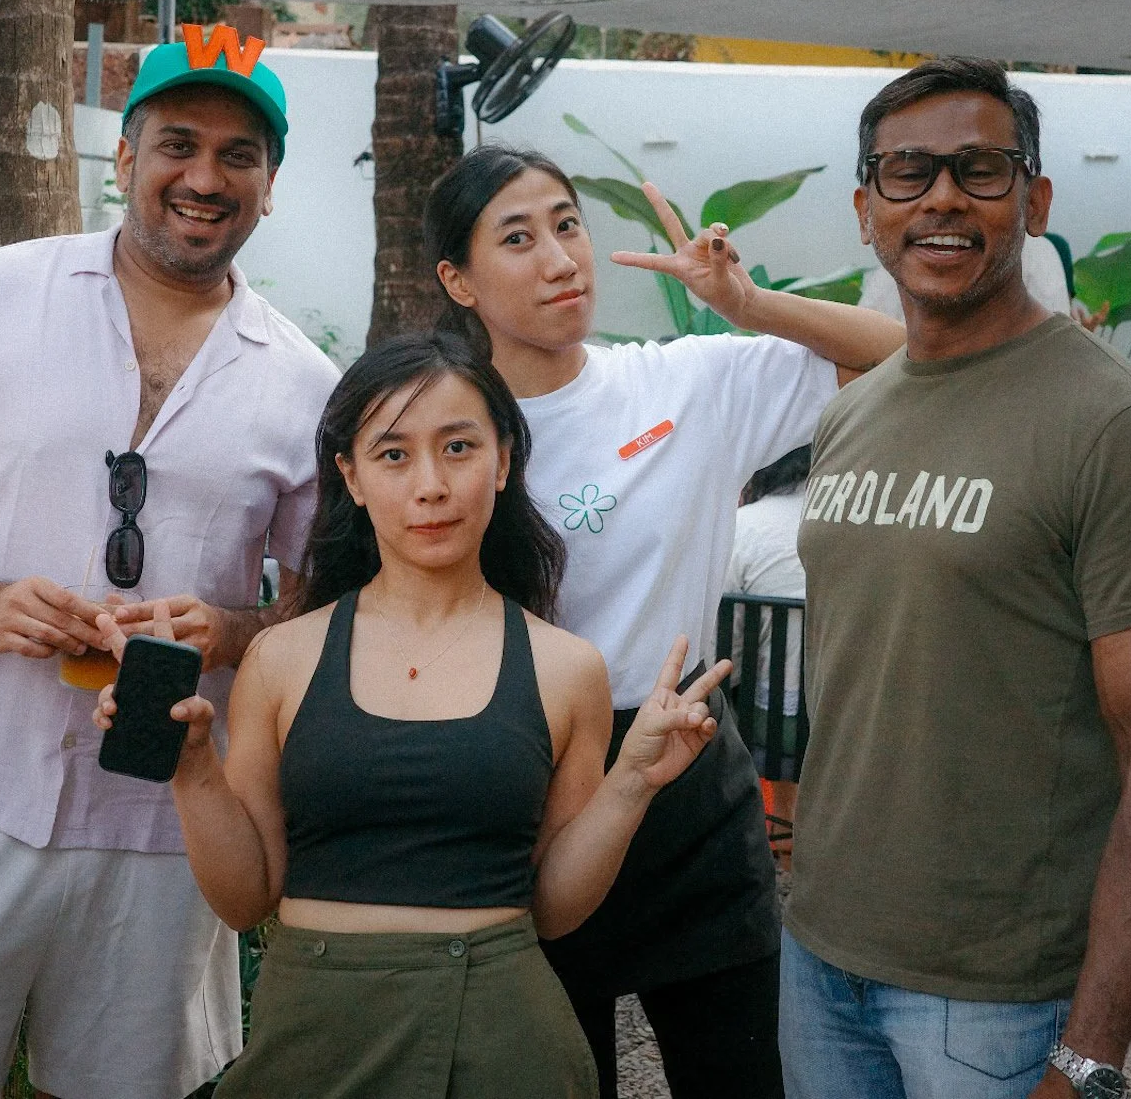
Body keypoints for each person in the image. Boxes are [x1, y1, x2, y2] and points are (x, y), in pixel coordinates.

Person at [0, 25, 339, 1099]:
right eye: (177, 144)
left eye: (239, 156)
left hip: (166, 821)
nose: (203, 178)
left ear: (270, 187)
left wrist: (232, 632)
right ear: (124, 159)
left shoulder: (303, 383)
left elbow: (326, 601)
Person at [90, 331, 733, 1098]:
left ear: (501, 462)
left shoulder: (566, 668)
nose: (430, 484)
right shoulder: (283, 658)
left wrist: (633, 782)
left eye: (458, 447)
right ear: (351, 478)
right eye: (394, 455)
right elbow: (246, 896)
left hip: (504, 1036)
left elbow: (555, 911)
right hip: (315, 1034)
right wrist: (191, 764)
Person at [785, 57, 1131, 1099]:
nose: (941, 196)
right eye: (907, 172)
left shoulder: (1118, 432)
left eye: (978, 169)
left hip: (992, 998)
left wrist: (1087, 1059)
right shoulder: (852, 412)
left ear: (1031, 201)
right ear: (865, 210)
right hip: (817, 959)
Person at [427, 145, 907, 1099]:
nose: (560, 257)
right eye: (517, 238)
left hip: (687, 768)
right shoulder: (441, 426)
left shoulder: (682, 383)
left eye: (568, 225)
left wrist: (752, 305)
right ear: (459, 279)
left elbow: (907, 352)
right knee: (561, 1077)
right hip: (523, 778)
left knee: (743, 1072)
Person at [725, 444, 811, 845]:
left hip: (773, 727)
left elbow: (729, 654)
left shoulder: (743, 528)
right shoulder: (853, 525)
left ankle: (779, 836)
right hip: (851, 719)